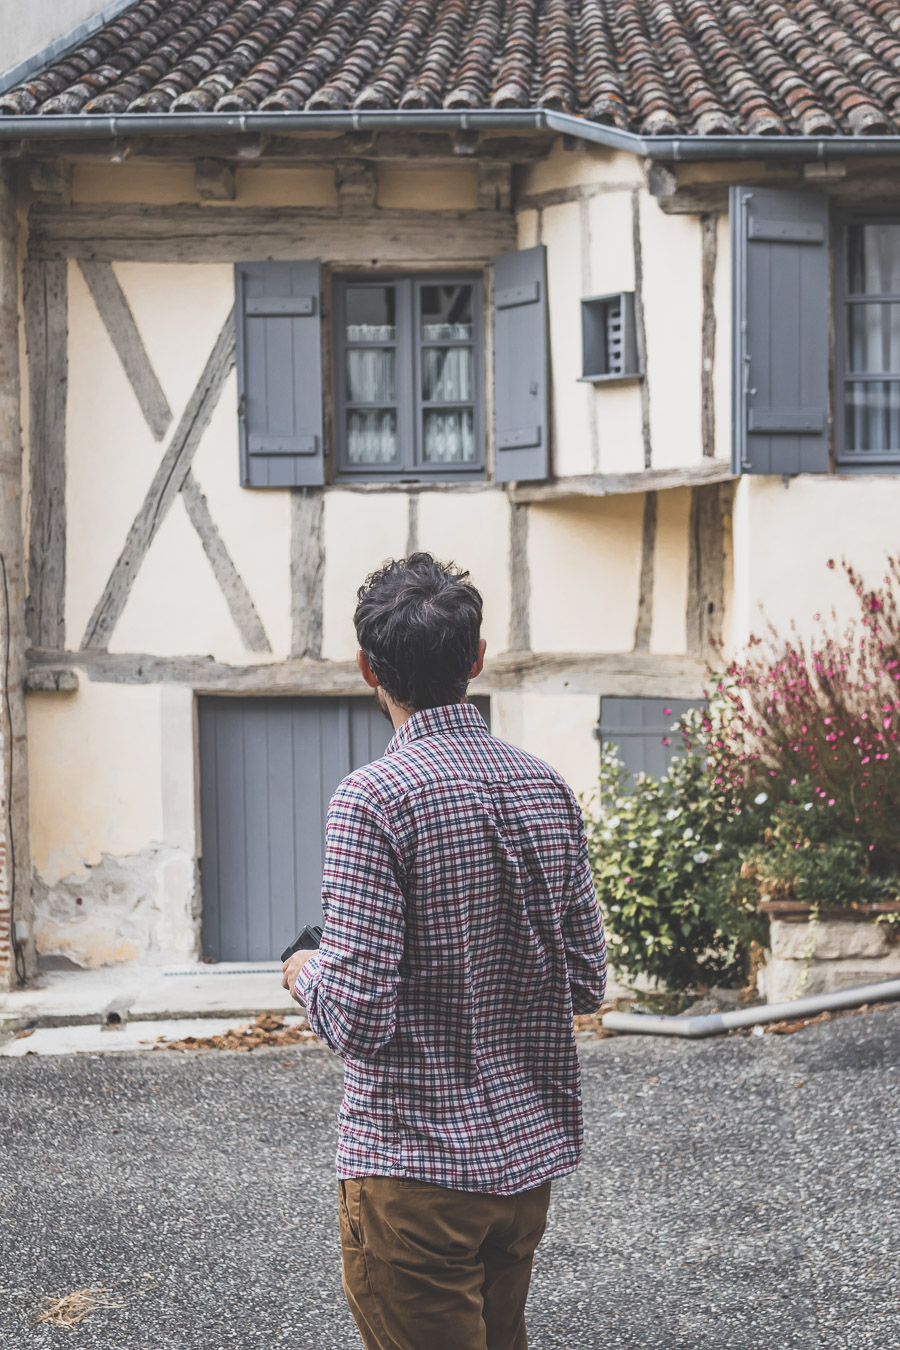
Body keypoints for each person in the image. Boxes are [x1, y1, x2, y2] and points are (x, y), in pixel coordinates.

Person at [281, 553, 607, 1350]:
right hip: (524, 1174)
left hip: (413, 1174)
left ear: (367, 668)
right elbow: (589, 980)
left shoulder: (373, 799)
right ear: (477, 659)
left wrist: (302, 969)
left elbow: (357, 1017)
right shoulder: (546, 787)